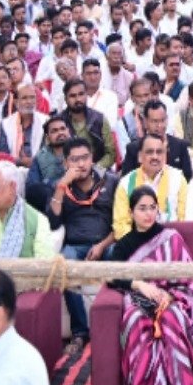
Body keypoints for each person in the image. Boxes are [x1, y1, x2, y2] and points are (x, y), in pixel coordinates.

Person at [107, 186, 193, 385]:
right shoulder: (124, 245)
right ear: (131, 212)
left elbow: (188, 276)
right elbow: (111, 275)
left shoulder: (171, 237)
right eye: (142, 209)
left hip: (172, 297)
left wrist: (168, 295)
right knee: (136, 322)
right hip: (139, 300)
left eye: (152, 208)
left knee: (171, 319)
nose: (148, 214)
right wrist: (139, 284)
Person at [48, 137, 118, 352]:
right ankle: (80, 333)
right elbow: (53, 221)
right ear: (66, 163)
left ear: (92, 158)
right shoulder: (60, 187)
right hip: (75, 245)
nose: (81, 164)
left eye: (85, 158)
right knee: (65, 264)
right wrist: (61, 186)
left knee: (120, 258)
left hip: (106, 243)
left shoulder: (111, 181)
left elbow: (122, 222)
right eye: (74, 159)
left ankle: (115, 327)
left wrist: (102, 245)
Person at [112, 133, 190, 239]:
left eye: (159, 152)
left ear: (165, 156)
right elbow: (120, 224)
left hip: (170, 241)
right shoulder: (126, 183)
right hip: (135, 244)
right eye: (149, 152)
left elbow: (184, 219)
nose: (155, 156)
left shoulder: (178, 179)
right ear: (140, 156)